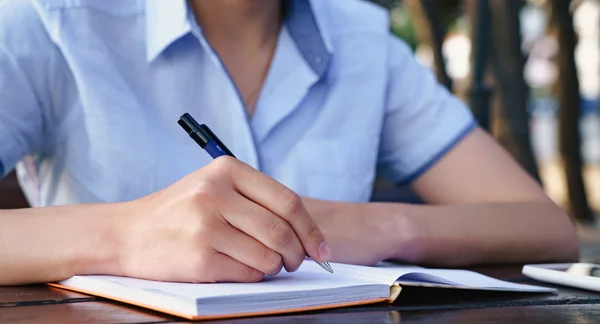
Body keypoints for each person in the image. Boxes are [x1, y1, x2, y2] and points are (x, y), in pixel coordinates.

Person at [0, 0, 578, 286]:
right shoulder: (49, 20)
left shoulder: (363, 39)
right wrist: (122, 235)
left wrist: (381, 227)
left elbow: (547, 228)